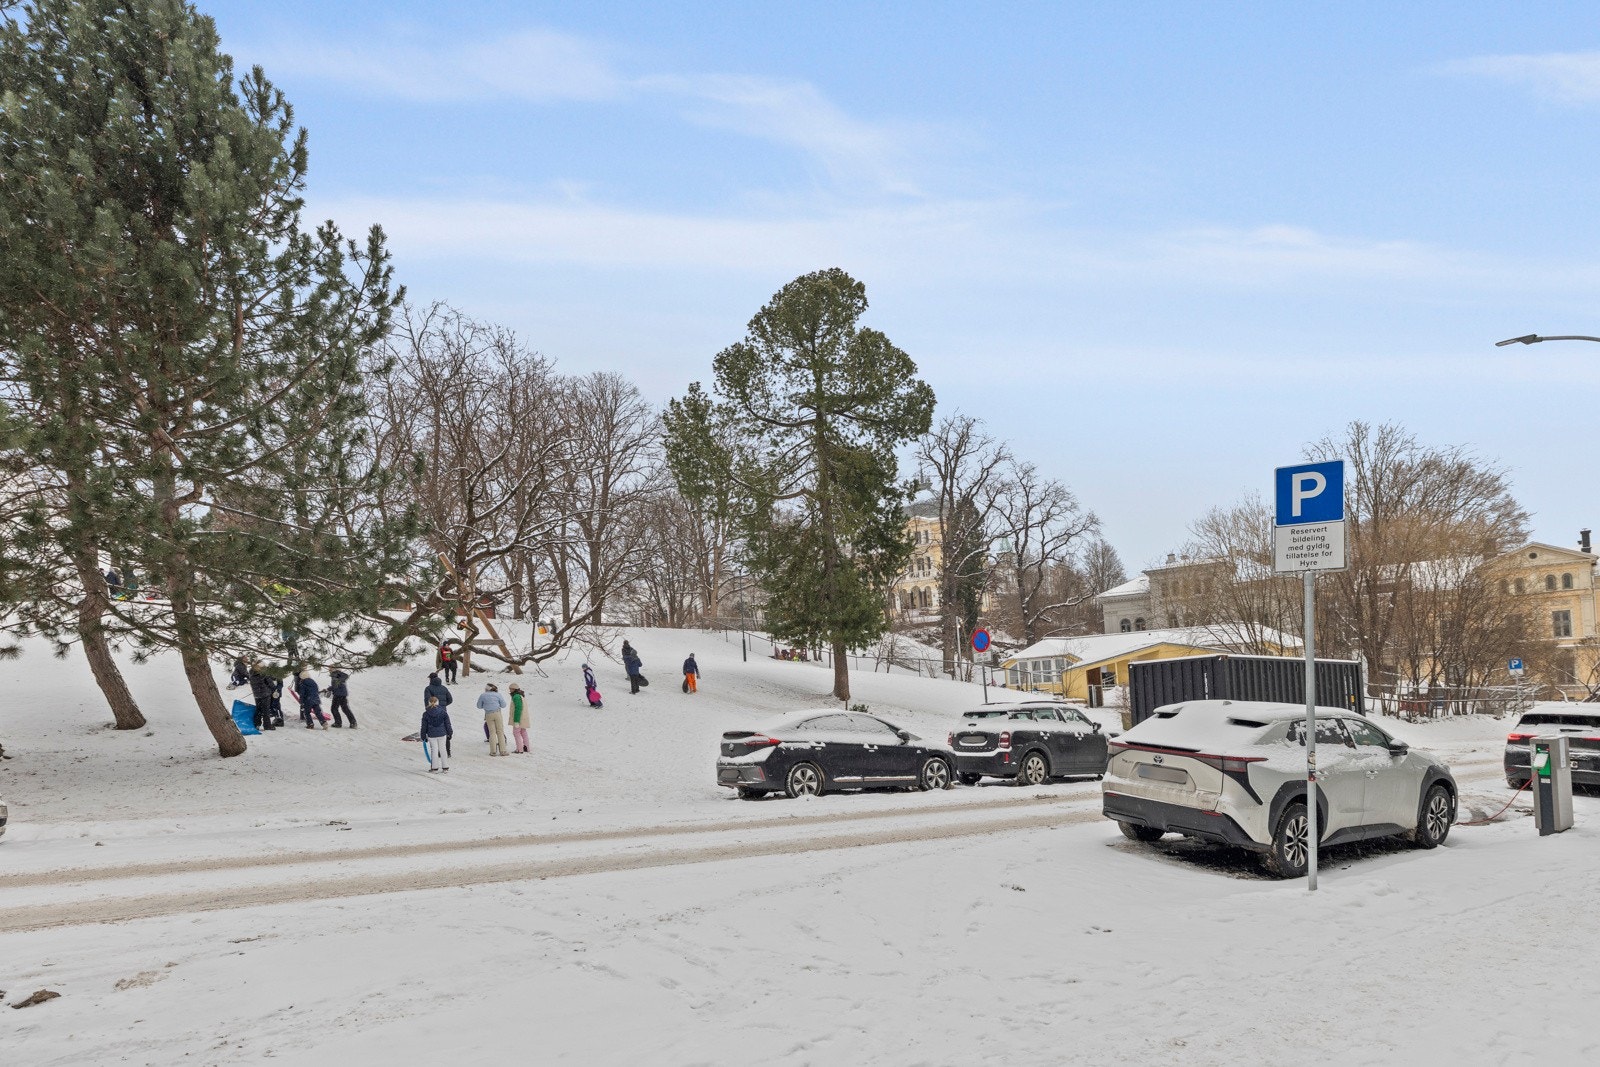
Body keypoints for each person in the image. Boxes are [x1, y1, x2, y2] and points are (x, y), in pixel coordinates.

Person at [421, 695, 453, 772]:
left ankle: (434, 768)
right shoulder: (443, 712)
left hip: (432, 735)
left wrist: (423, 736)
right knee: (443, 750)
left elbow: (424, 726)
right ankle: (445, 767)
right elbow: (447, 724)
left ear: (428, 703)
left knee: (434, 750)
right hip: (442, 734)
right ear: (438, 702)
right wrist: (450, 733)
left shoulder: (426, 714)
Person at [477, 683, 509, 756]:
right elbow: (503, 705)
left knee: (492, 733)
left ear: (487, 689)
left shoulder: (483, 695)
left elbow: (479, 706)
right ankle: (503, 751)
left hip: (488, 715)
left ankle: (493, 751)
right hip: (497, 713)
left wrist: (486, 705)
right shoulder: (498, 694)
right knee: (500, 732)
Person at [247, 661, 278, 732]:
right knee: (265, 710)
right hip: (265, 694)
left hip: (257, 694)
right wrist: (273, 688)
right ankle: (267, 726)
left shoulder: (251, 674)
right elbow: (270, 684)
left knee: (258, 710)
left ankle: (256, 724)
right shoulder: (263, 674)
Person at [508, 683, 531, 753]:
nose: (509, 690)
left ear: (514, 689)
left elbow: (518, 709)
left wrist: (516, 721)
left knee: (516, 733)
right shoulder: (521, 695)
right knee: (523, 732)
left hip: (519, 718)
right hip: (524, 718)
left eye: (510, 689)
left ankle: (519, 749)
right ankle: (526, 747)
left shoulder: (516, 697)